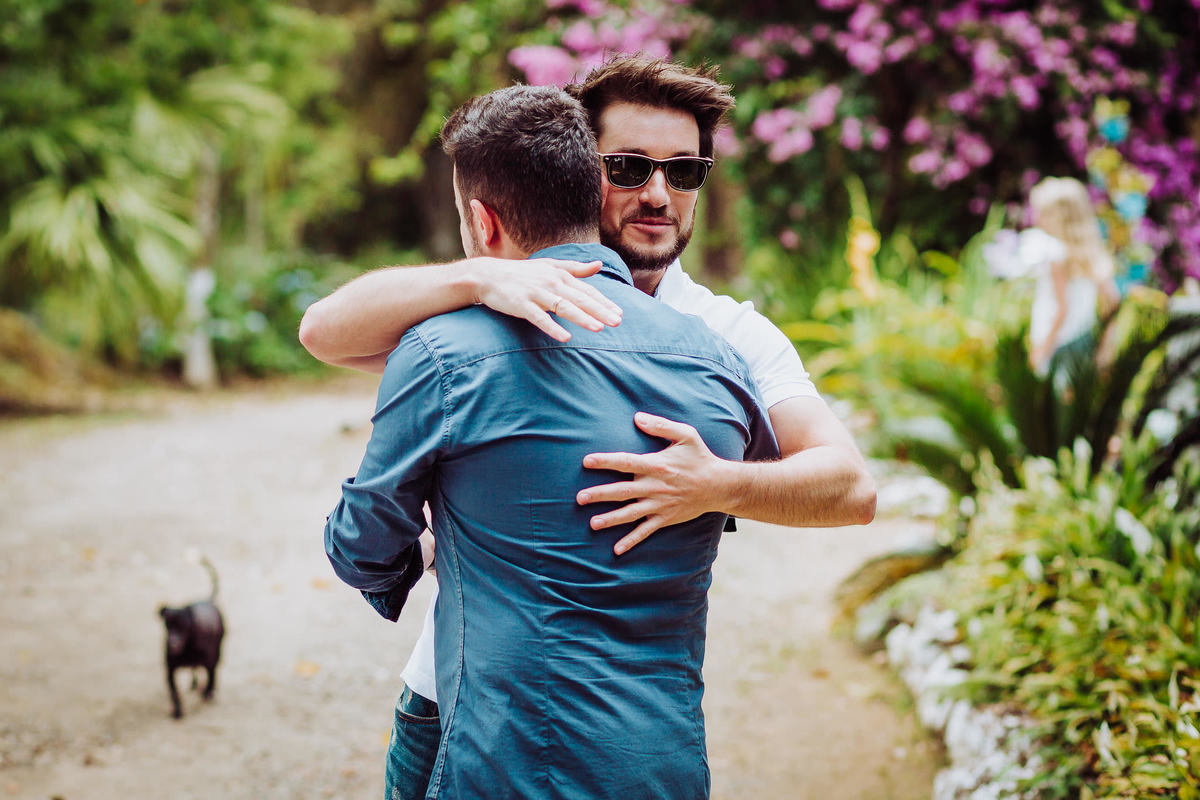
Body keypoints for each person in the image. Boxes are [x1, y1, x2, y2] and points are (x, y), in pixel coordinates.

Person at [301, 56, 876, 798]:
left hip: (612, 725)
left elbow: (851, 487)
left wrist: (717, 484)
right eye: (629, 167)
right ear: (579, 167)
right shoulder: (485, 305)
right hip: (458, 705)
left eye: (685, 172)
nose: (658, 194)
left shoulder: (730, 337)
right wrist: (478, 277)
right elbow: (323, 332)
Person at [1025, 176, 1121, 374]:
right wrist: (1106, 344)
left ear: (1061, 218)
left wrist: (1043, 349)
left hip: (1057, 345)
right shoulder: (1091, 255)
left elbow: (1062, 309)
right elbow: (1113, 300)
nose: (1038, 219)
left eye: (1044, 213)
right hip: (1082, 342)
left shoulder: (1057, 254)